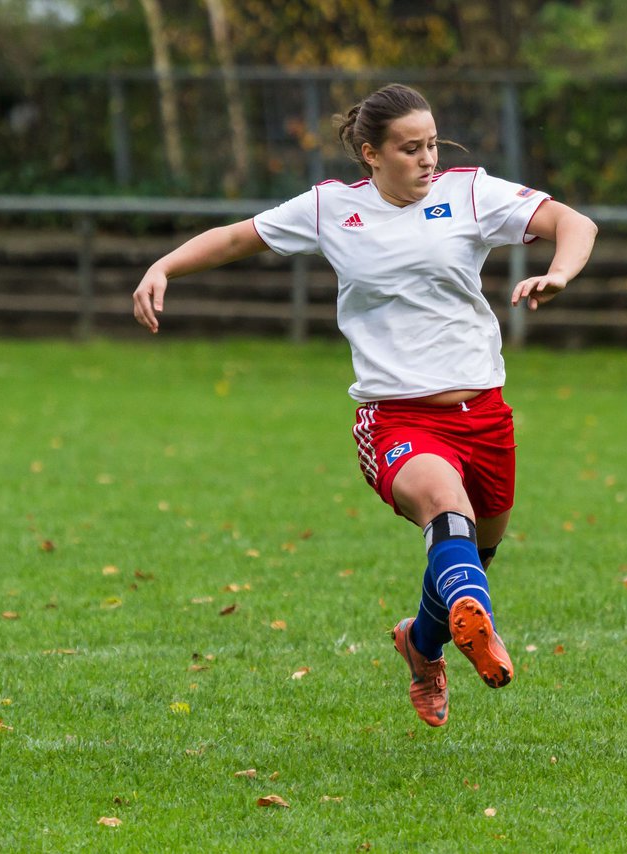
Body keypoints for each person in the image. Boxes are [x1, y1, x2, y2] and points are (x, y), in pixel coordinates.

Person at [133, 83, 596, 726]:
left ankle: (423, 643)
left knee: (470, 556)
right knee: (445, 509)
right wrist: (164, 266)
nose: (428, 158)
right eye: (411, 149)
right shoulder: (331, 209)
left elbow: (574, 222)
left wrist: (561, 272)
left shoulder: (469, 193)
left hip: (484, 412)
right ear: (371, 154)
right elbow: (240, 238)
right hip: (397, 417)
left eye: (433, 143)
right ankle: (470, 624)